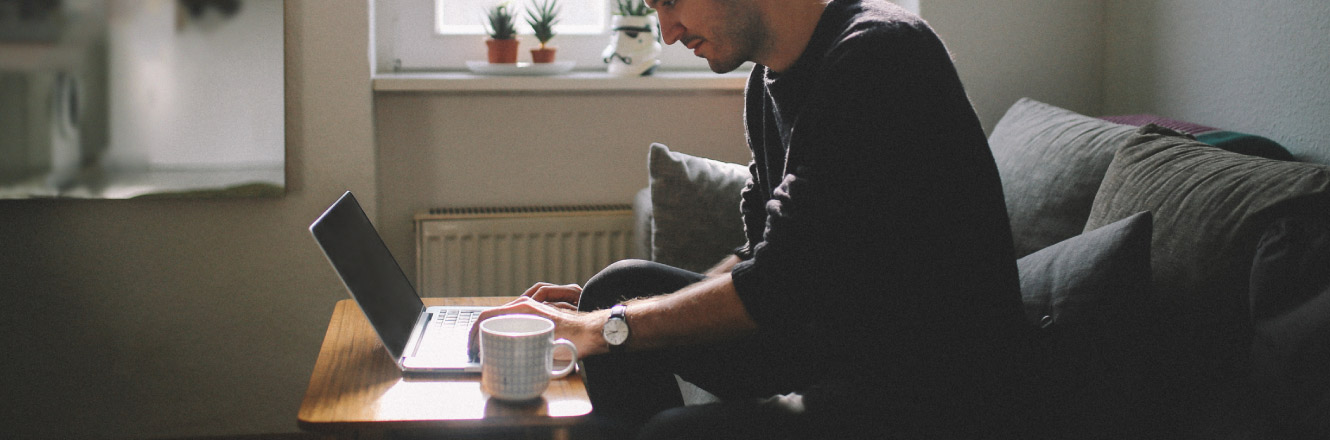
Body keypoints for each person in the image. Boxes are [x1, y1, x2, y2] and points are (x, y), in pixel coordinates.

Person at [469, 0, 1035, 438]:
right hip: (834, 338)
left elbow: (778, 287)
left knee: (669, 425)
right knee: (616, 287)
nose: (666, 32)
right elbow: (764, 255)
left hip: (927, 395)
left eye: (670, 2)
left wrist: (604, 328)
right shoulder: (767, 82)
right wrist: (616, 312)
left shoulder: (880, 55)